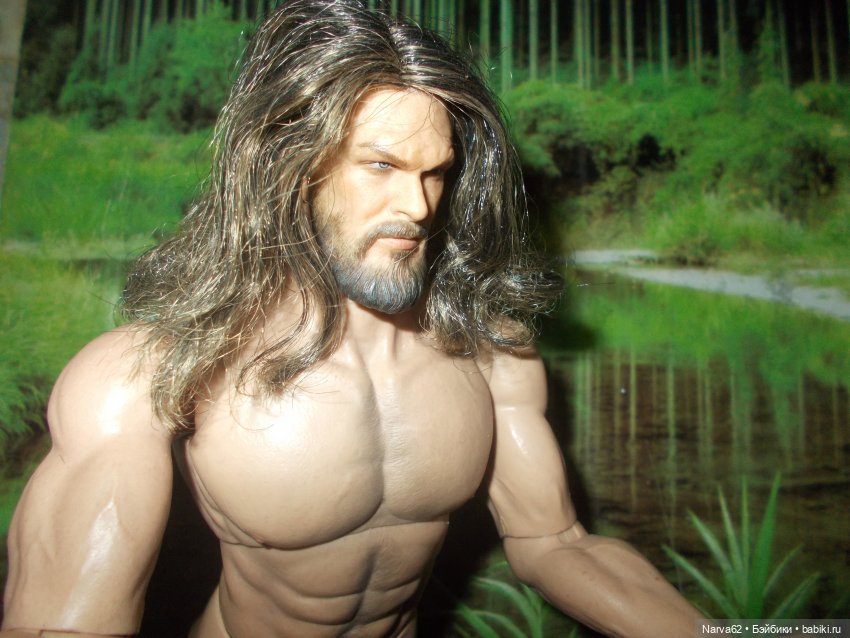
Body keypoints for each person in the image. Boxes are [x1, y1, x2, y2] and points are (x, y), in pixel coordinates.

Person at [2, 1, 702, 636]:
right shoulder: (140, 378)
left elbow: (556, 544)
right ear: (292, 165)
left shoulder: (492, 354)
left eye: (435, 172)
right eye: (381, 165)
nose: (420, 207)